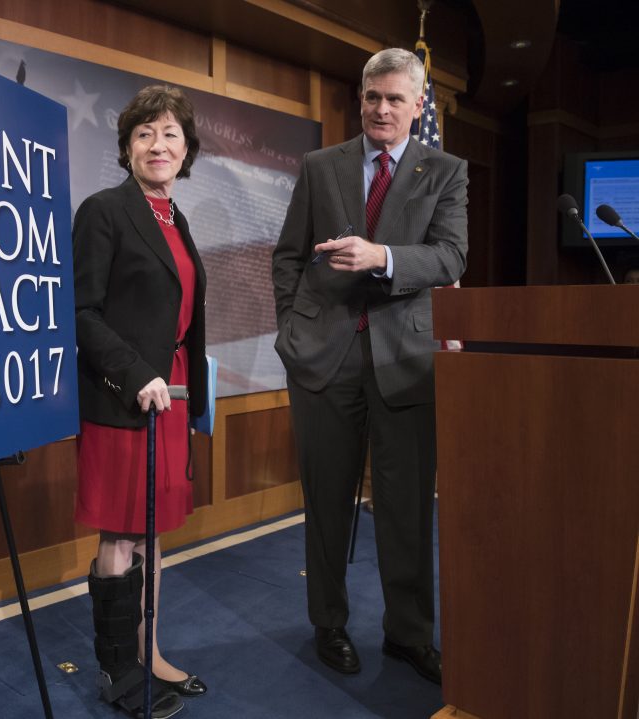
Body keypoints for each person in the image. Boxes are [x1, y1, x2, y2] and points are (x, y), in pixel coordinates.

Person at [271, 47, 468, 685]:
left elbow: (451, 258)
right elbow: (289, 255)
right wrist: (290, 329)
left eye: (394, 99)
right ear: (360, 99)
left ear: (418, 106)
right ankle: (328, 624)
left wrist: (382, 256)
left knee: (407, 507)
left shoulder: (446, 171)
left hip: (406, 361)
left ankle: (409, 633)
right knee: (327, 502)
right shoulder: (319, 166)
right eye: (371, 97)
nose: (381, 109)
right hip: (323, 361)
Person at [74, 85, 208, 719]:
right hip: (125, 398)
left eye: (171, 134)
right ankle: (116, 670)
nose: (159, 144)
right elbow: (81, 313)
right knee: (123, 535)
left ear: (187, 150)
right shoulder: (103, 211)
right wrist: (134, 375)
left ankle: (148, 654)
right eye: (145, 134)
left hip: (172, 398)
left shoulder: (175, 219)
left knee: (152, 536)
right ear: (127, 149)